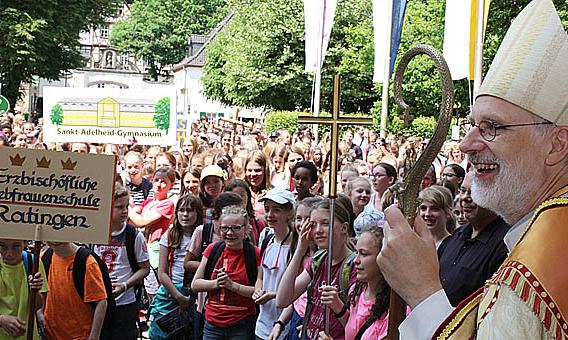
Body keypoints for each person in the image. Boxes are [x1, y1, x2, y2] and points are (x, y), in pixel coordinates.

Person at [377, 1, 568, 338]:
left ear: (557, 145)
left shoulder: (541, 263)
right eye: (471, 125)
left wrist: (422, 292)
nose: (466, 145)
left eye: (491, 127)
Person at [276, 198, 356, 340]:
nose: (318, 230)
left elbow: (357, 326)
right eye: (313, 225)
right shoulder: (319, 260)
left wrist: (338, 306)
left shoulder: (354, 266)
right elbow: (282, 299)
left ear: (344, 228)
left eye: (325, 223)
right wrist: (300, 249)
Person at [438, 172, 509, 306]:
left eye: (474, 192)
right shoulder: (458, 234)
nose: (464, 198)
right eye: (463, 190)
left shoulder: (505, 244)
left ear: (495, 195)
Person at [191, 206, 260, 340]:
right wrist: (217, 283)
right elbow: (195, 284)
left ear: (246, 229)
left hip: (242, 324)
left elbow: (258, 291)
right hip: (212, 324)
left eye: (236, 228)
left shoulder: (254, 253)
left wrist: (232, 285)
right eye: (225, 228)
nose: (229, 233)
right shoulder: (213, 250)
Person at [94, 184, 150, 339]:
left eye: (126, 206)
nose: (125, 211)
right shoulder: (95, 232)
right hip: (98, 300)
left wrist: (125, 285)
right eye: (119, 207)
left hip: (125, 303)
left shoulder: (134, 235)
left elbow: (145, 268)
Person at [318, 226, 392, 340]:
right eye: (356, 252)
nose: (355, 260)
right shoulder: (356, 291)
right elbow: (353, 330)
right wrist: (336, 304)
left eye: (364, 254)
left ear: (383, 258)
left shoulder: (394, 309)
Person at [149, 195, 203, 339]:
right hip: (171, 290)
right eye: (181, 210)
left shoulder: (204, 236)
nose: (185, 214)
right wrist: (178, 296)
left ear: (198, 213)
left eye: (190, 211)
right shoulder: (170, 235)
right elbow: (162, 272)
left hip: (195, 291)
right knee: (161, 333)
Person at [254, 189, 297, 340]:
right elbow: (260, 277)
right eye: (267, 210)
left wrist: (273, 296)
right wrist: (258, 291)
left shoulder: (297, 247)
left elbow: (299, 291)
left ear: (289, 213)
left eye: (276, 210)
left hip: (284, 326)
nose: (270, 215)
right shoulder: (266, 239)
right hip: (261, 325)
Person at [43, 242, 108, 340]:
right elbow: (42, 292)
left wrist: (94, 335)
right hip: (50, 334)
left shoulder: (87, 262)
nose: (55, 241)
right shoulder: (45, 257)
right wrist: (40, 313)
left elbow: (101, 302)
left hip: (80, 335)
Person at [128, 167, 176, 300]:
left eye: (164, 182)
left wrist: (126, 206)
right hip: (143, 247)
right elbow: (131, 220)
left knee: (156, 288)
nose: (159, 184)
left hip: (156, 249)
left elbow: (141, 221)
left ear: (171, 185)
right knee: (148, 286)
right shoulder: (148, 202)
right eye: (156, 180)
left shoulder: (168, 204)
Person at [0, 240, 47, 340]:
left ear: (25, 243)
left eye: (16, 246)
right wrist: (1, 320)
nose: (9, 253)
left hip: (28, 335)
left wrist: (35, 290)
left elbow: (37, 306)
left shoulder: (33, 263)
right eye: (2, 246)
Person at [418, 185, 454, 250]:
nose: (427, 214)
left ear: (448, 213)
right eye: (423, 208)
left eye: (434, 209)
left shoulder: (453, 246)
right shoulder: (415, 242)